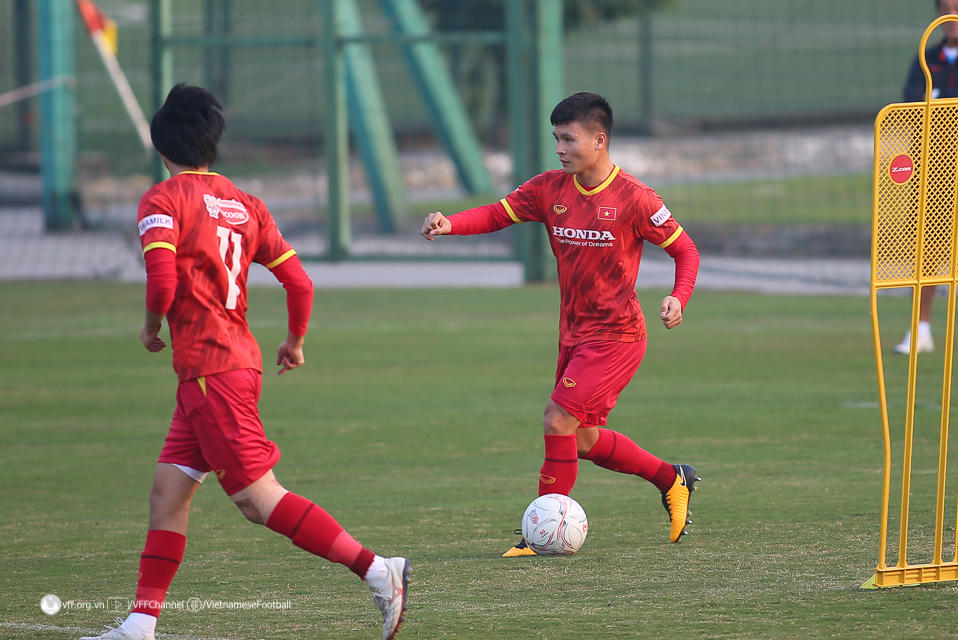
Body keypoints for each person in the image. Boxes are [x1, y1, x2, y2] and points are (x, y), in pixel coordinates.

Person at [82, 84, 408, 640]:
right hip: (229, 367)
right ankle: (140, 624)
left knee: (259, 502)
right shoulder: (245, 204)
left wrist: (151, 326)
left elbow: (161, 282)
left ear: (161, 147)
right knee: (168, 491)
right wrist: (295, 341)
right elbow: (299, 282)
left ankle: (378, 571)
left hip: (210, 370)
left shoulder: (163, 200)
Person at [420, 92, 702, 555]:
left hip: (617, 336)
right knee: (583, 439)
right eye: (556, 138)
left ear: (599, 140)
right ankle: (671, 478)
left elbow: (686, 251)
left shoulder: (635, 198)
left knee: (557, 421)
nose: (559, 149)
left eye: (568, 139)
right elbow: (496, 214)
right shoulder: (549, 188)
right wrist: (451, 223)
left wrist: (679, 296)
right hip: (573, 334)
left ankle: (540, 535)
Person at [895, 0, 958, 355]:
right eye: (946, 9)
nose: (952, 17)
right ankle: (920, 329)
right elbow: (910, 108)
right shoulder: (926, 59)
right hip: (934, 175)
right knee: (927, 254)